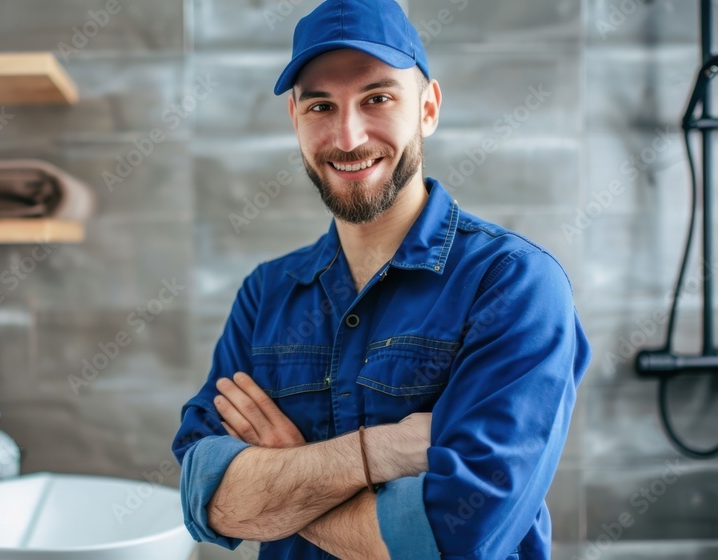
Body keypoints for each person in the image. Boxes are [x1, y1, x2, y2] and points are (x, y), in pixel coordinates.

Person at [172, 0, 591, 558]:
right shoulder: (267, 293)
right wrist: (379, 452)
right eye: (322, 105)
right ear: (295, 120)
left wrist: (284, 475)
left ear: (428, 108)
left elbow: (456, 537)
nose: (348, 137)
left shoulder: (513, 284)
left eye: (378, 98)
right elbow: (208, 500)